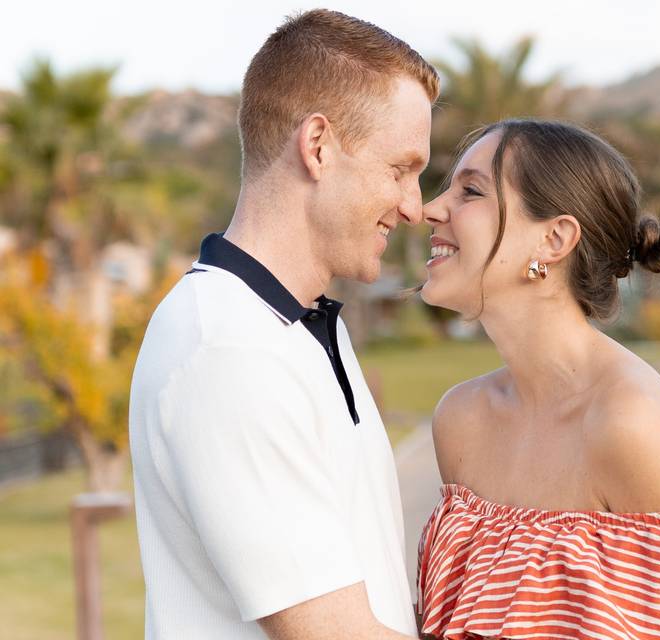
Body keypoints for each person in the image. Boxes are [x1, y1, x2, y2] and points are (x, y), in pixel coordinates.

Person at [415, 119, 660, 640]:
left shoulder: (628, 420)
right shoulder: (460, 419)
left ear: (554, 239)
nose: (429, 208)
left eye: (470, 191)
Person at [129, 10, 437, 639]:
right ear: (318, 145)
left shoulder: (295, 324)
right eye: (400, 169)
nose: (414, 206)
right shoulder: (227, 350)